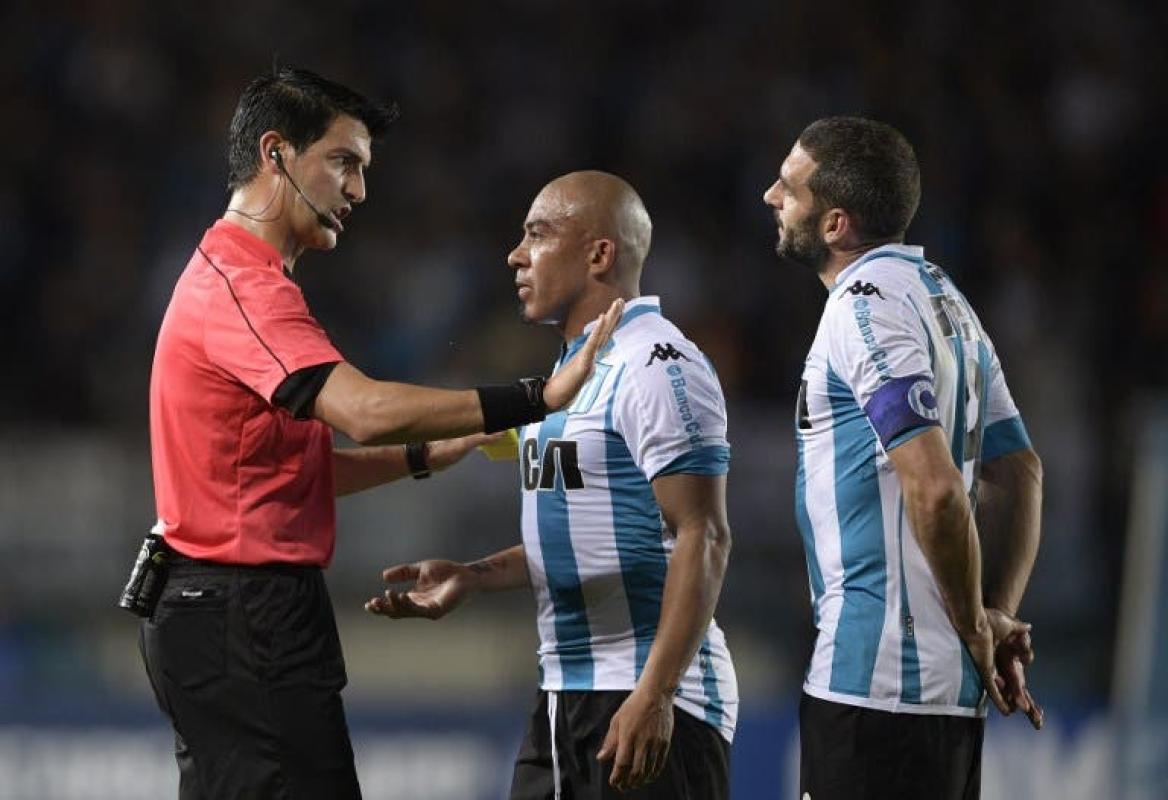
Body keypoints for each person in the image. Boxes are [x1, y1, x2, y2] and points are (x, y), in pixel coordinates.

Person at [138, 67, 622, 800]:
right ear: (275, 153)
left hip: (219, 612)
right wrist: (536, 397)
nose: (359, 191)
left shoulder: (233, 277)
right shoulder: (245, 288)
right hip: (243, 614)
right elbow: (363, 410)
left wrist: (422, 455)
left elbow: (281, 473)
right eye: (343, 162)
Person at [366, 171, 738, 799]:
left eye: (537, 234)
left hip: (647, 697)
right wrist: (475, 576)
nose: (516, 255)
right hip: (566, 697)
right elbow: (587, 532)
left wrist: (656, 692)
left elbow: (704, 535)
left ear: (599, 254)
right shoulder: (566, 374)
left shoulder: (657, 365)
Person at [762, 116, 1044, 800]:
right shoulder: (945, 299)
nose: (771, 196)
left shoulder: (864, 308)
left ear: (835, 225)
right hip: (943, 699)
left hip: (876, 691)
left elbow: (938, 489)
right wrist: (995, 613)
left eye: (789, 187)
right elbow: (1018, 471)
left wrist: (975, 627)